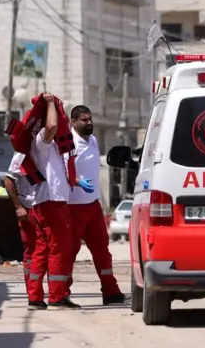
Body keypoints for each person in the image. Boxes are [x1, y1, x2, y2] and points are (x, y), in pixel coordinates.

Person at [65, 105, 128, 305]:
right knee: (69, 252)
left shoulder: (92, 140)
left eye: (90, 119)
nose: (89, 123)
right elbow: (63, 172)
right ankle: (61, 293)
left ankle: (110, 291)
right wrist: (77, 182)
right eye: (84, 120)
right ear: (73, 122)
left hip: (93, 206)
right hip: (73, 206)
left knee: (102, 250)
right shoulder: (68, 143)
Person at [27, 92, 81, 310]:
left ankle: (35, 297)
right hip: (52, 203)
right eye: (63, 118)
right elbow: (50, 126)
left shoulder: (56, 147)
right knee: (60, 248)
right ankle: (57, 296)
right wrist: (51, 103)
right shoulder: (42, 140)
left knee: (42, 249)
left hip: (47, 202)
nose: (63, 122)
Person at [4, 152, 42, 310]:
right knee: (32, 253)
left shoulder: (49, 149)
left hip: (46, 207)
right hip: (29, 209)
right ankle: (33, 294)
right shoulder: (23, 153)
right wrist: (19, 206)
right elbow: (9, 180)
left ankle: (58, 294)